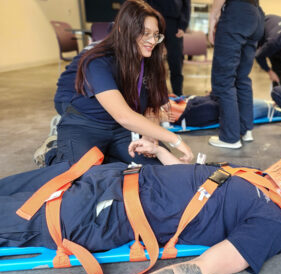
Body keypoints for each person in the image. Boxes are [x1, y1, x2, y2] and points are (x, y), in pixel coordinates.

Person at [0, 141, 281, 274]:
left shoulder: (273, 223)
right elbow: (198, 179)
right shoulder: (257, 176)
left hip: (101, 211)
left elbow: (202, 270)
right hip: (101, 175)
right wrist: (159, 151)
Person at [51, 0, 193, 166]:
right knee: (79, 177)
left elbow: (152, 106)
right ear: (123, 30)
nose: (152, 41)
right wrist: (174, 139)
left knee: (156, 166)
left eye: (156, 35)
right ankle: (54, 149)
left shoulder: (150, 60)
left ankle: (108, 155)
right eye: (144, 33)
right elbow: (123, 116)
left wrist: (149, 135)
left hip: (120, 128)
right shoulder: (98, 60)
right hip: (86, 123)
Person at [207, 0, 264, 149]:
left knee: (223, 80)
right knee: (242, 77)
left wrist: (213, 16)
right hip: (256, 14)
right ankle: (246, 130)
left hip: (237, 12)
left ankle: (230, 138)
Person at [146, 0, 191, 96]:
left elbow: (186, 5)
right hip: (154, 20)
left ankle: (178, 95)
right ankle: (155, 95)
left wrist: (183, 25)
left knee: (176, 62)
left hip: (174, 24)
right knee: (152, 60)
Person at [255, 14, 281, 87]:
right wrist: (269, 71)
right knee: (276, 70)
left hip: (276, 33)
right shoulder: (273, 43)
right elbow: (258, 56)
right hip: (260, 29)